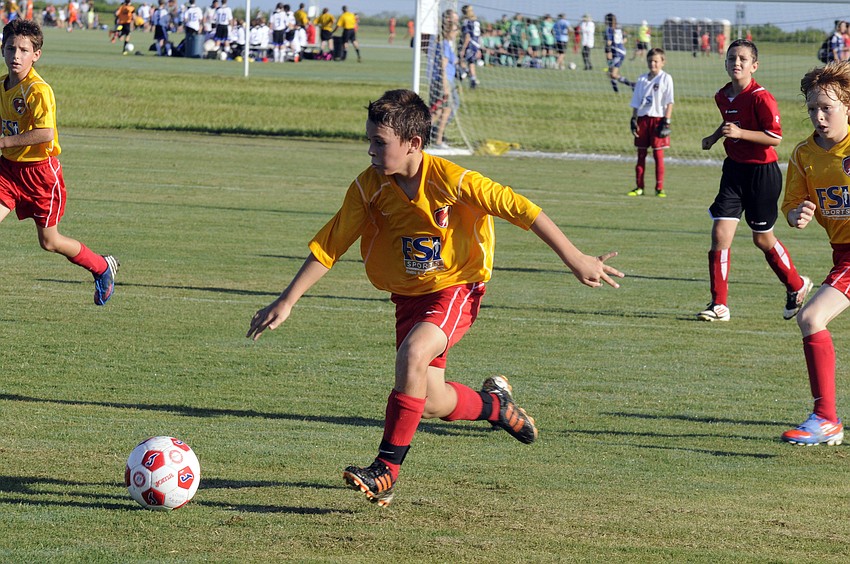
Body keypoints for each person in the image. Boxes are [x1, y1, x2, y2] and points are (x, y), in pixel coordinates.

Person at [246, 88, 623, 507]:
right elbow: (331, 244)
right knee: (431, 401)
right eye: (369, 140)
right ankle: (496, 407)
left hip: (456, 286)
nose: (370, 150)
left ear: (413, 143)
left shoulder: (452, 180)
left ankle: (386, 470)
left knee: (413, 354)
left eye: (379, 142)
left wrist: (575, 258)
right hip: (409, 297)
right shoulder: (368, 187)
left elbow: (520, 208)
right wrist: (288, 299)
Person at [0, 19, 118, 306]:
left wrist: (3, 142)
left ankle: (101, 266)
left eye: (24, 50)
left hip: (40, 175)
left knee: (49, 242)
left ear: (36, 55)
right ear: (2, 49)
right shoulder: (2, 86)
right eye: (11, 48)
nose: (16, 55)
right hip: (8, 171)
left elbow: (45, 133)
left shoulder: (38, 90)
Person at [698, 39, 811, 322]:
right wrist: (715, 137)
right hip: (734, 172)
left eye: (743, 59)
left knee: (762, 239)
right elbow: (730, 122)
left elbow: (774, 137)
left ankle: (796, 285)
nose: (736, 63)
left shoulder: (762, 97)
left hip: (762, 174)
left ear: (754, 66)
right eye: (731, 58)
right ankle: (719, 305)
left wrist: (740, 134)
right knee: (720, 234)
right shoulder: (722, 95)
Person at [780, 61, 850, 446]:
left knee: (811, 316)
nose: (819, 116)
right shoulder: (803, 154)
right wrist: (797, 215)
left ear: (847, 107)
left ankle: (826, 419)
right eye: (812, 108)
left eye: (827, 108)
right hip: (842, 253)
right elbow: (791, 204)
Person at [627, 48, 674, 198]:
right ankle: (639, 187)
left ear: (662, 62)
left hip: (658, 120)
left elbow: (670, 102)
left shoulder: (666, 78)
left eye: (656, 61)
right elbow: (636, 102)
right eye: (650, 61)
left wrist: (666, 121)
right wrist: (633, 119)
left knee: (658, 155)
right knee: (641, 155)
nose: (652, 64)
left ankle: (659, 188)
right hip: (643, 120)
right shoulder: (642, 79)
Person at [430, 15, 458, 149]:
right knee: (442, 112)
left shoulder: (444, 44)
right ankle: (437, 140)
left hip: (444, 81)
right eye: (455, 30)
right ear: (448, 32)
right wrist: (445, 85)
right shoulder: (444, 45)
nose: (456, 33)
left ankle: (434, 138)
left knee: (440, 112)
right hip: (443, 81)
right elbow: (443, 66)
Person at [604, 13, 633, 92]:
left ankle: (631, 84)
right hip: (621, 52)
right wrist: (619, 44)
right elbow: (625, 39)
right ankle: (616, 88)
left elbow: (609, 42)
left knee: (612, 73)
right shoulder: (619, 27)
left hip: (617, 53)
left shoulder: (609, 29)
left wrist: (610, 49)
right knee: (611, 72)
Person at [459, 4, 480, 88]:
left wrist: (463, 48)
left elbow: (467, 36)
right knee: (471, 63)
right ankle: (473, 80)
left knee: (460, 60)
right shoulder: (476, 21)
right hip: (476, 44)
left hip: (470, 44)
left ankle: (465, 73)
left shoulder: (466, 22)